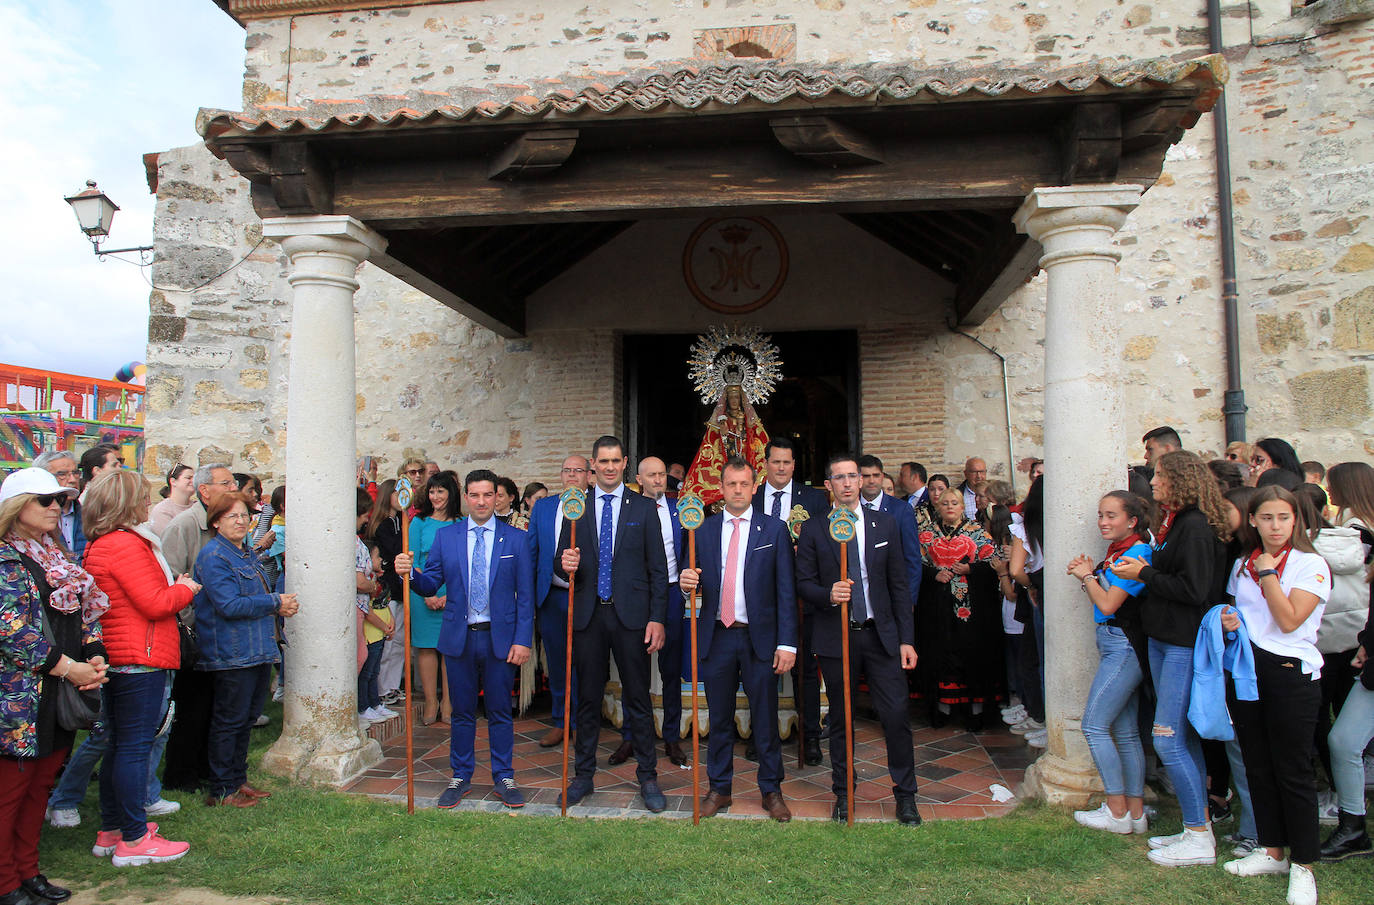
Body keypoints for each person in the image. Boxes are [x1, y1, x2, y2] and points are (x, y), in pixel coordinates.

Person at [1111, 450, 1231, 867]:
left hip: (1181, 643)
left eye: (1160, 475)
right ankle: (1195, 828)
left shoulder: (1195, 526)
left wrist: (1141, 574)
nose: (1154, 482)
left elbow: (1194, 590)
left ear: (1181, 480)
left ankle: (1199, 836)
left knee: (1166, 737)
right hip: (1163, 639)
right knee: (1180, 738)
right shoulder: (1178, 521)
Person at [1217, 487, 1331, 905]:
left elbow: (1287, 621)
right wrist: (1230, 620)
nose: (1276, 526)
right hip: (1249, 672)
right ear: (1253, 521)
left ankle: (1304, 867)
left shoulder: (1310, 564)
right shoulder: (1243, 563)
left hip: (1290, 675)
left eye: (1284, 518)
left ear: (1296, 520)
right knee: (1257, 765)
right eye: (1267, 518)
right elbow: (1245, 615)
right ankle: (1272, 850)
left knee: (1294, 772)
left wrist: (1268, 574)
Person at [0, 468, 109, 904]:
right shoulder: (6, 559)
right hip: (18, 697)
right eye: (43, 500)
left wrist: (94, 651)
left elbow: (80, 614)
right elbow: (11, 632)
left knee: (39, 787)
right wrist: (68, 668)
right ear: (15, 506)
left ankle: (28, 872)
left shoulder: (54, 555)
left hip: (57, 690)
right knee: (11, 792)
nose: (55, 507)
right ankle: (6, 881)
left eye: (60, 500)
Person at [398, 469, 535, 809]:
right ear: (467, 498)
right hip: (459, 636)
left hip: (499, 638)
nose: (482, 501)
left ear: (497, 497)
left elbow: (526, 597)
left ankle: (504, 776)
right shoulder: (448, 537)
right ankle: (460, 775)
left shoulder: (515, 540)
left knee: (500, 710)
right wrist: (410, 573)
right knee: (461, 711)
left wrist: (523, 640)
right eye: (475, 495)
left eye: (488, 495)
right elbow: (431, 584)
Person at [81, 470, 198, 866]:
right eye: (142, 498)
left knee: (119, 747)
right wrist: (184, 589)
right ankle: (133, 838)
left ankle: (112, 829)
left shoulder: (102, 543)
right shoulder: (126, 545)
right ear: (127, 504)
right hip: (138, 656)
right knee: (133, 749)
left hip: (123, 653)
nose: (148, 504)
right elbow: (154, 602)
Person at [795, 453, 920, 825]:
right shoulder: (815, 529)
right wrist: (827, 594)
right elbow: (803, 583)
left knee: (896, 716)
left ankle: (906, 795)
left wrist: (906, 640)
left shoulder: (886, 524)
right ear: (828, 484)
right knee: (842, 719)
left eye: (854, 476)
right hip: (837, 638)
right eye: (840, 477)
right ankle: (843, 794)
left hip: (881, 636)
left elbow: (898, 585)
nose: (849, 483)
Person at [678, 457, 797, 822]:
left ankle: (771, 790)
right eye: (731, 484)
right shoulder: (704, 529)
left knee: (765, 718)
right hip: (718, 636)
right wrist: (687, 586)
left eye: (744, 484)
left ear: (754, 486)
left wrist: (787, 643)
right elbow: (691, 583)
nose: (738, 490)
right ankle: (720, 788)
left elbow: (786, 592)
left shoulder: (774, 530)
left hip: (759, 639)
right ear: (722, 487)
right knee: (720, 718)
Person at [557, 436, 669, 812]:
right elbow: (561, 560)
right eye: (601, 462)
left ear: (625, 464)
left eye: (614, 461)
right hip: (589, 615)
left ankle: (648, 777)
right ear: (592, 466)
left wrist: (656, 618)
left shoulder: (644, 507)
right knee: (587, 700)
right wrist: (565, 563)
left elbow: (658, 570)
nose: (608, 467)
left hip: (632, 618)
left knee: (638, 699)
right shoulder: (577, 506)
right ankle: (583, 776)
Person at [193, 491, 299, 807]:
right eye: (232, 517)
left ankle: (238, 779)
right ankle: (223, 788)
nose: (240, 522)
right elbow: (228, 604)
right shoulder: (214, 557)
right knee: (230, 720)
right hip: (231, 651)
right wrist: (275, 603)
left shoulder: (244, 553)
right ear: (216, 522)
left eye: (243, 515)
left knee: (247, 717)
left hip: (257, 648)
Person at [1066, 490, 1153, 835]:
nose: (1103, 522)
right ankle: (1134, 813)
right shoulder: (1119, 550)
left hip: (1124, 645)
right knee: (1126, 731)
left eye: (1111, 516)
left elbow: (1107, 605)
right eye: (1101, 515)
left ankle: (1116, 811)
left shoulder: (1136, 553)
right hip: (1115, 642)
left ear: (1132, 521)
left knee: (1093, 725)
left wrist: (1086, 576)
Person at [158, 463, 236, 794]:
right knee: (192, 708)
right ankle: (181, 776)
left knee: (215, 706)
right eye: (226, 483)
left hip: (218, 631)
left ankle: (206, 768)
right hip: (194, 633)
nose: (233, 488)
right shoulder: (184, 526)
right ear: (204, 491)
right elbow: (171, 577)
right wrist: (191, 624)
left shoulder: (223, 525)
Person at [752, 436, 829, 765]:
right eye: (775, 461)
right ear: (765, 464)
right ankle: (762, 736)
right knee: (760, 669)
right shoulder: (751, 498)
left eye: (787, 462)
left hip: (803, 598)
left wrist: (805, 554)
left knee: (806, 672)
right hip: (761, 597)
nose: (781, 467)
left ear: (794, 465)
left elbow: (825, 544)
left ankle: (810, 737)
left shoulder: (814, 499)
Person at [610, 456, 687, 768]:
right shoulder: (627, 509)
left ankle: (671, 737)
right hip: (636, 599)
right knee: (634, 671)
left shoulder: (680, 510)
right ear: (639, 479)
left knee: (671, 670)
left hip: (670, 594)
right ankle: (631, 735)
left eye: (662, 475)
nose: (659, 480)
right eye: (652, 476)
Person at [1310, 464, 1374, 822]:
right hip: (1357, 633)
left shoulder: (1350, 531)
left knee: (1339, 729)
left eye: (1334, 485)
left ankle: (1344, 801)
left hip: (1344, 635)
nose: (1330, 491)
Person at [916, 488, 998, 732]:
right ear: (938, 507)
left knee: (971, 654)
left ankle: (975, 709)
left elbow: (993, 564)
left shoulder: (977, 532)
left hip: (971, 609)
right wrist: (933, 573)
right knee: (941, 654)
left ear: (963, 506)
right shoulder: (926, 535)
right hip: (937, 608)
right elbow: (915, 564)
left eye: (955, 503)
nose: (950, 507)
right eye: (945, 503)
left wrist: (971, 570)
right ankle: (942, 707)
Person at [527, 455, 590, 748]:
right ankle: (561, 721)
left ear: (589, 475)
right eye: (568, 470)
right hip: (551, 596)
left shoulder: (596, 507)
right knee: (556, 661)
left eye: (579, 471)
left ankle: (585, 723)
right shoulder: (544, 506)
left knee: (584, 661)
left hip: (585, 596)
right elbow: (532, 550)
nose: (572, 475)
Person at [411, 471, 461, 727]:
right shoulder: (419, 522)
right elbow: (413, 560)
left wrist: (447, 595)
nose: (435, 496)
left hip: (453, 594)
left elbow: (463, 564)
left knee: (450, 650)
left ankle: (449, 703)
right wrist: (428, 593)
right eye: (432, 491)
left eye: (440, 491)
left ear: (451, 493)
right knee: (427, 648)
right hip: (422, 594)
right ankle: (431, 700)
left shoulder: (461, 523)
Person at [683, 380, 769, 507]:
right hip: (727, 461)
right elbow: (713, 447)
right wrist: (723, 435)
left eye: (737, 397)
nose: (734, 400)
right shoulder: (721, 421)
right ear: (726, 399)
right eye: (731, 397)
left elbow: (756, 443)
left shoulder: (748, 421)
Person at [354, 489, 395, 724]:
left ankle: (371, 704)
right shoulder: (355, 544)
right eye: (364, 513)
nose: (367, 518)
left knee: (368, 662)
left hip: (364, 609)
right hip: (361, 610)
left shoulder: (357, 542)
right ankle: (360, 706)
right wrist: (372, 585)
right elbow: (359, 582)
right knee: (362, 661)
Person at [367, 480, 406, 705]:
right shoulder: (382, 525)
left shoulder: (401, 521)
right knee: (388, 639)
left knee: (399, 640)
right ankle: (381, 687)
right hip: (389, 587)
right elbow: (392, 551)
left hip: (401, 588)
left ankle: (393, 684)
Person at [32, 450, 85, 558]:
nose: (72, 480)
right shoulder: (32, 518)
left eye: (75, 473)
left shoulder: (89, 515)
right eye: (62, 474)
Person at [150, 465, 194, 535]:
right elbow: (170, 540)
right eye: (188, 478)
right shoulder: (162, 510)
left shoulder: (198, 506)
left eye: (195, 478)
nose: (193, 481)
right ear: (173, 481)